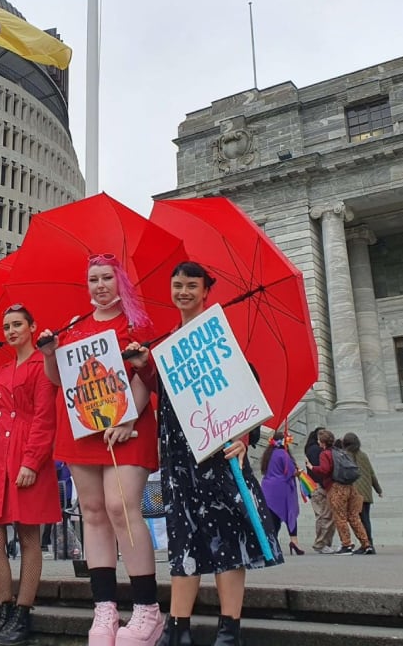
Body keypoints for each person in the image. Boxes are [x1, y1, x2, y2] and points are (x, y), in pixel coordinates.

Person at [128, 261, 283, 646]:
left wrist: (246, 439)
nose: (183, 292)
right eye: (177, 285)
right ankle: (177, 629)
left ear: (205, 291)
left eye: (191, 286)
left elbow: (249, 392)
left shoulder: (220, 338)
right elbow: (161, 395)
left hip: (221, 456)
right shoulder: (166, 346)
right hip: (180, 459)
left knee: (228, 541)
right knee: (184, 538)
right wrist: (143, 366)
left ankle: (229, 630)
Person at [38, 253, 161, 646]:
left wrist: (129, 418)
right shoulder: (74, 327)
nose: (100, 285)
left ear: (120, 281)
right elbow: (59, 379)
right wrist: (48, 354)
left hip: (128, 426)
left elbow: (144, 374)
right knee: (91, 512)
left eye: (107, 277)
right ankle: (104, 609)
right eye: (93, 279)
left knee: (121, 507)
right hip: (81, 430)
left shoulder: (137, 324)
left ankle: (147, 609)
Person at [0, 304, 61, 646]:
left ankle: (22, 615)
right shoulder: (5, 368)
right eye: (6, 326)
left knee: (28, 537)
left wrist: (32, 462)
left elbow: (44, 417)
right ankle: (3, 612)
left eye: (17, 324)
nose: (10, 331)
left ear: (33, 326)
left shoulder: (42, 366)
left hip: (25, 453)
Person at [306, 430, 373, 555]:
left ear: (323, 442)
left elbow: (324, 470)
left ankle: (347, 545)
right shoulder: (339, 451)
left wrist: (312, 467)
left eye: (320, 441)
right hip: (350, 487)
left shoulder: (325, 454)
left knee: (340, 518)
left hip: (336, 487)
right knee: (354, 517)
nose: (318, 443)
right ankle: (366, 544)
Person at [260, 434, 303, 556]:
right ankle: (294, 541)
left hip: (268, 488)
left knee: (273, 517)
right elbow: (291, 471)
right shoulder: (283, 454)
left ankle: (272, 543)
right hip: (282, 488)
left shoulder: (268, 455)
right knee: (290, 514)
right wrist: (298, 472)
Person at [342, 432, 381, 546]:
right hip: (366, 492)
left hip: (354, 492)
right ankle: (369, 543)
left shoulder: (345, 455)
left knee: (357, 520)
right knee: (365, 519)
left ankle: (366, 544)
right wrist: (378, 490)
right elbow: (371, 473)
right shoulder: (363, 455)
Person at [304, 427, 336, 554]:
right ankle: (321, 543)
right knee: (325, 516)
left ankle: (323, 543)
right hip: (319, 486)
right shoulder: (318, 451)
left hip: (313, 485)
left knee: (323, 515)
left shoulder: (310, 449)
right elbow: (321, 469)